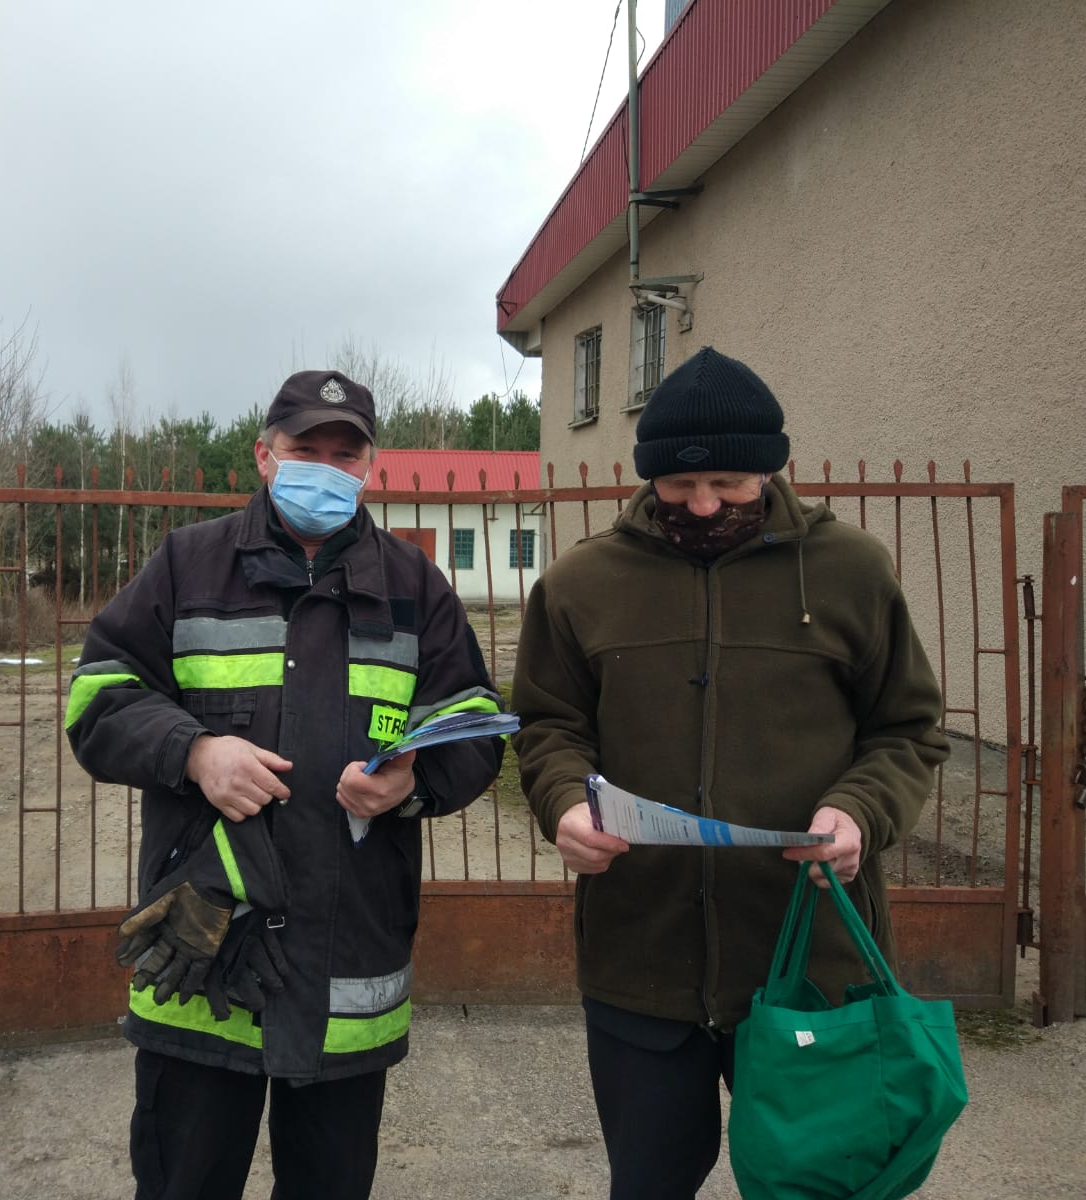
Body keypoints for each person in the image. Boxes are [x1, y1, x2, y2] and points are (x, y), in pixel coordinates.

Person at [510, 346, 949, 1200]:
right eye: (679, 485)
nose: (703, 505)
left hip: (811, 960)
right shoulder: (579, 583)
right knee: (648, 1183)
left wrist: (859, 811)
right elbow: (548, 727)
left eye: (728, 483)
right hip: (640, 958)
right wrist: (562, 801)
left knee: (816, 1187)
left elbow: (906, 728)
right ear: (646, 475)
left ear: (771, 468)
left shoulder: (851, 570)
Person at [64, 369, 504, 1200]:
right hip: (204, 954)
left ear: (370, 467)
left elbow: (475, 726)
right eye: (306, 449)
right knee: (184, 1182)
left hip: (349, 958)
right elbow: (97, 698)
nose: (324, 468)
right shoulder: (187, 565)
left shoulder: (414, 586)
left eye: (345, 454)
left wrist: (409, 785)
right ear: (264, 456)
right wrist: (194, 751)